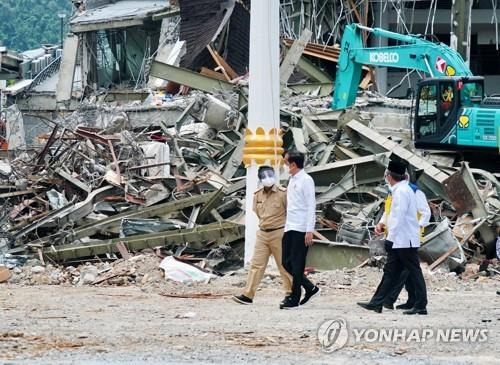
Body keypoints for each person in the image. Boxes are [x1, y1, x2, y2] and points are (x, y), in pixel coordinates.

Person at [357, 160, 428, 315]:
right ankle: (377, 302)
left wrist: (391, 238)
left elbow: (399, 217)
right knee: (391, 271)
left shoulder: (402, 192)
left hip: (404, 240)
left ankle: (421, 305)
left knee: (413, 271)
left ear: (389, 176)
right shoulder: (398, 190)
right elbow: (391, 214)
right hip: (400, 239)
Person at [232, 166, 292, 305]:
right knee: (256, 265)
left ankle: (290, 293)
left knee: (284, 265)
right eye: (264, 176)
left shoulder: (283, 193)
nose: (268, 178)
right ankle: (248, 295)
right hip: (263, 234)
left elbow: (290, 212)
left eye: (269, 175)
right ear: (260, 179)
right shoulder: (257, 195)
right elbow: (257, 212)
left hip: (279, 233)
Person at [376, 174, 431, 310]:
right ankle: (412, 300)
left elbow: (425, 212)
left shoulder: (413, 191)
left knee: (404, 269)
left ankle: (389, 299)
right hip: (396, 235)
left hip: (407, 236)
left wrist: (415, 227)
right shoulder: (393, 191)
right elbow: (389, 211)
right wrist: (382, 223)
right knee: (404, 269)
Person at [280, 150, 320, 310]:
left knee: (297, 264)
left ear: (293, 165)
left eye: (285, 163)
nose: (284, 166)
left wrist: (309, 230)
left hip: (301, 228)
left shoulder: (306, 180)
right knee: (285, 262)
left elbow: (311, 206)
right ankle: (310, 287)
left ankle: (294, 298)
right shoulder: (292, 180)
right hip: (290, 226)